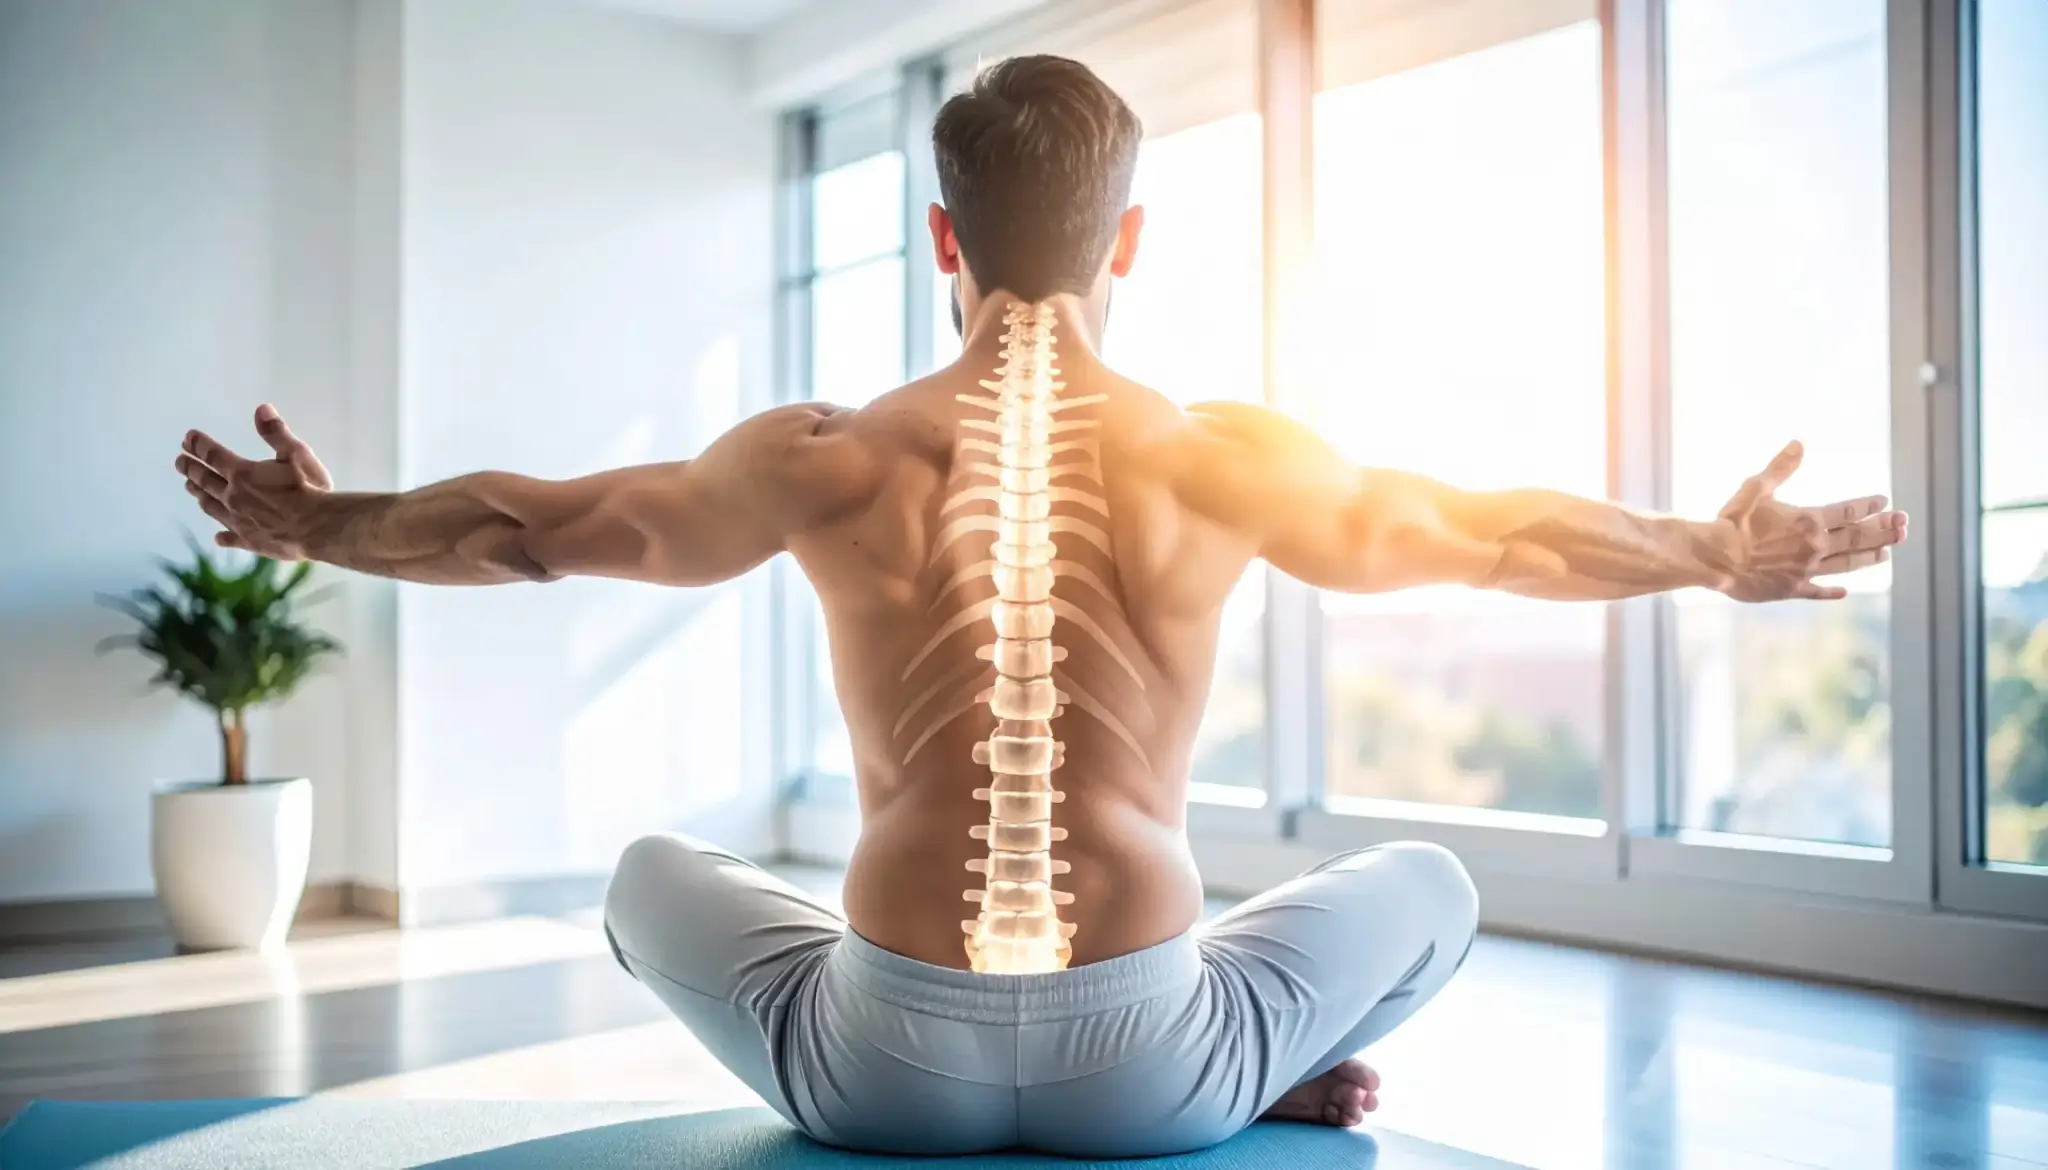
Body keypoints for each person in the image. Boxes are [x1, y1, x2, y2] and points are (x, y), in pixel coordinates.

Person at [172, 54, 1907, 1158]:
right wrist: (1704, 549)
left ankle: (1191, 1054)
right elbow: (1486, 536)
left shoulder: (824, 457)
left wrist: (317, 522)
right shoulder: (1223, 457)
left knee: (641, 881)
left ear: (944, 238)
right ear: (1129, 243)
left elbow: (532, 531)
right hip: (1154, 1059)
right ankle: (1262, 1067)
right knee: (1432, 886)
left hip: (879, 1069)